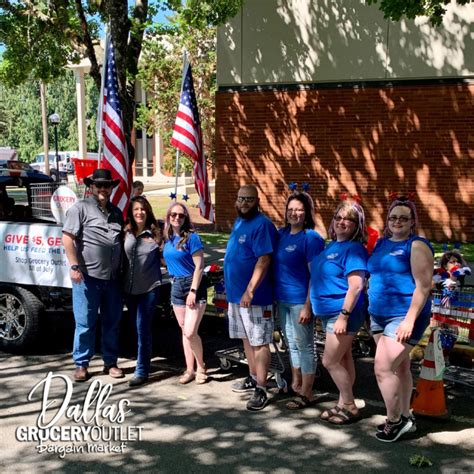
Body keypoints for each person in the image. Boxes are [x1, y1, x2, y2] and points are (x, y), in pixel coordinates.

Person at [368, 197, 434, 442]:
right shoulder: (381, 244)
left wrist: (409, 320)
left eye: (403, 218)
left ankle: (394, 421)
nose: (397, 222)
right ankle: (406, 416)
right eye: (393, 217)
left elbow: (424, 286)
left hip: (404, 316)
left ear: (412, 221)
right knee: (400, 366)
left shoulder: (416, 245)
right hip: (378, 315)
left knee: (383, 367)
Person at [62, 168, 124, 382]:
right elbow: (68, 238)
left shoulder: (116, 212)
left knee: (112, 322)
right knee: (85, 323)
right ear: (91, 186)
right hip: (87, 277)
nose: (103, 189)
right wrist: (74, 266)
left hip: (113, 279)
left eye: (107, 185)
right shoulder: (80, 208)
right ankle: (81, 364)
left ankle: (110, 362)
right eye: (99, 185)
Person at [310, 200, 368, 424]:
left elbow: (355, 286)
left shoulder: (354, 249)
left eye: (348, 219)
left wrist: (343, 316)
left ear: (357, 226)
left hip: (342, 313)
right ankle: (343, 402)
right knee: (343, 359)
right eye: (338, 218)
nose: (342, 222)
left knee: (330, 361)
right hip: (328, 312)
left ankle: (351, 406)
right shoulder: (331, 246)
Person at [224, 184, 277, 411]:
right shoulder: (240, 222)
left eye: (248, 199)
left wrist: (250, 290)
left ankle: (262, 388)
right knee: (247, 340)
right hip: (236, 297)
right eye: (240, 198)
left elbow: (264, 260)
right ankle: (254, 377)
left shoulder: (262, 225)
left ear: (257, 201)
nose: (243, 203)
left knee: (259, 341)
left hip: (255, 297)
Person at [274, 191, 325, 409]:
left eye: (300, 210)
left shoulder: (311, 238)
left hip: (299, 301)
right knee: (291, 344)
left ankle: (307, 392)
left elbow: (316, 274)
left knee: (305, 346)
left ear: (307, 214)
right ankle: (296, 382)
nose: (294, 213)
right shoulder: (282, 234)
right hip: (282, 300)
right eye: (291, 209)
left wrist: (308, 305)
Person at [162, 202, 208, 384]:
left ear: (186, 218)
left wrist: (193, 291)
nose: (177, 218)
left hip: (192, 285)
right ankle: (190, 369)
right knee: (184, 331)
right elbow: (169, 260)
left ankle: (201, 367)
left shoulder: (192, 238)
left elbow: (200, 266)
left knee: (190, 331)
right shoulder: (167, 238)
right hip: (176, 286)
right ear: (168, 216)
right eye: (173, 214)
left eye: (181, 215)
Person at [123, 196, 163, 387]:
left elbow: (167, 257)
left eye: (143, 209)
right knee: (136, 328)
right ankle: (143, 360)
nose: (139, 212)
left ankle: (142, 370)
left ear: (148, 211)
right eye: (136, 209)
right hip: (129, 289)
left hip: (149, 288)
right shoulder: (126, 231)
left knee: (142, 328)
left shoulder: (156, 234)